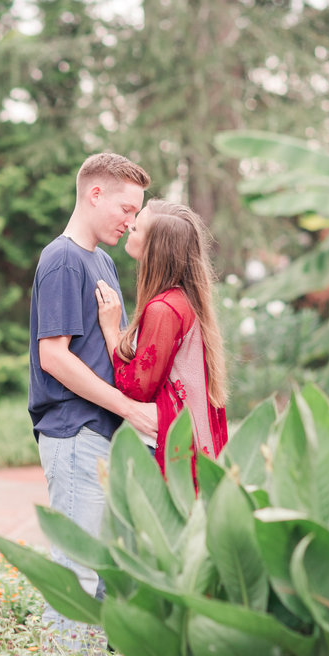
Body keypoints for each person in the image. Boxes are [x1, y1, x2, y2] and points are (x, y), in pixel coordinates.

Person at [29, 153, 157, 645]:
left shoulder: (101, 260)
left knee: (101, 579)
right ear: (94, 194)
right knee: (77, 576)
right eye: (126, 209)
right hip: (75, 433)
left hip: (102, 436)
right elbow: (54, 358)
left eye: (136, 212)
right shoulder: (62, 259)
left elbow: (108, 348)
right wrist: (129, 409)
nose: (132, 221)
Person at [95, 199, 228, 480]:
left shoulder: (164, 308)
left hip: (163, 449)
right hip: (180, 442)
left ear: (157, 246)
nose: (130, 225)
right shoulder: (184, 300)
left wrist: (110, 330)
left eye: (138, 225)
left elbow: (136, 388)